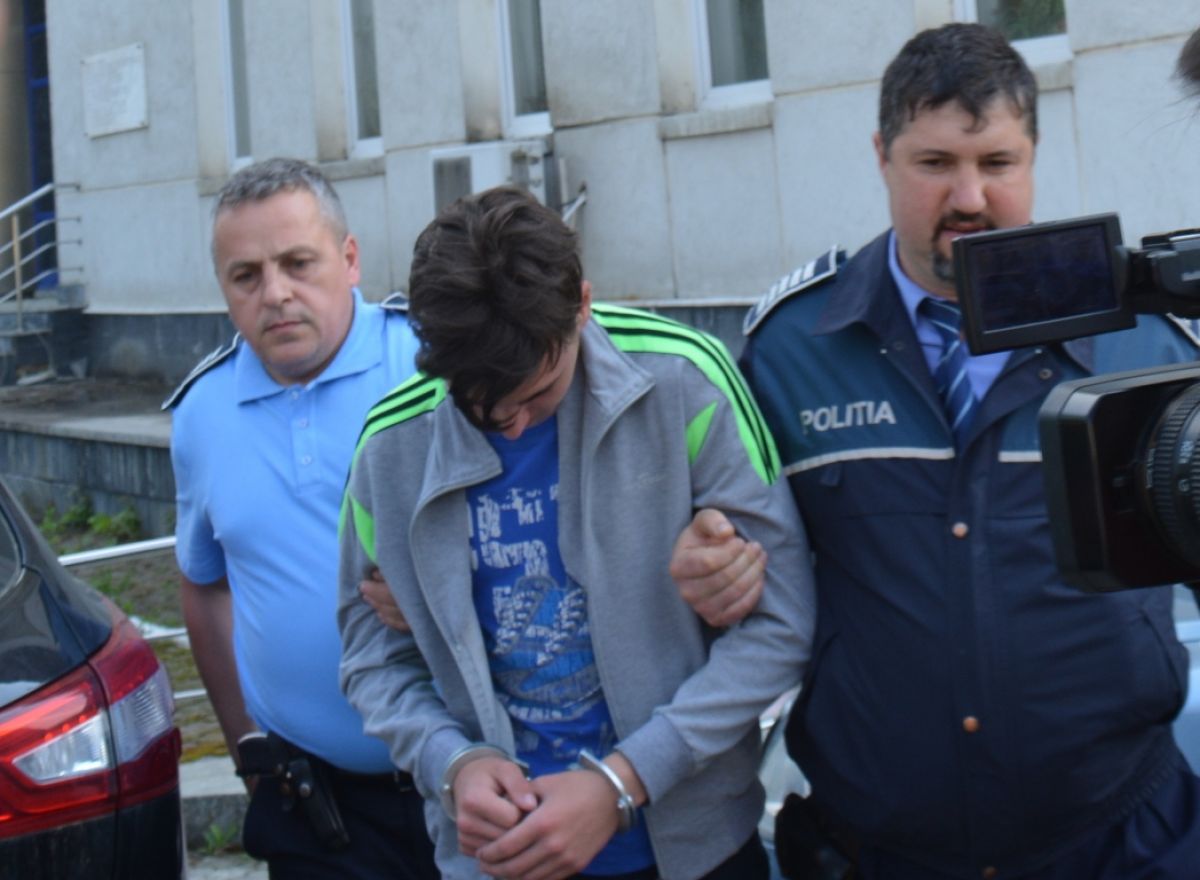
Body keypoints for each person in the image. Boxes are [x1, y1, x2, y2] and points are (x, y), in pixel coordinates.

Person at [672, 23, 1200, 880]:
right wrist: (709, 570)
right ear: (881, 156)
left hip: (1118, 841)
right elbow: (736, 557)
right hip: (877, 848)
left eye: (997, 162)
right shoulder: (788, 349)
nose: (969, 197)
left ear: (1034, 157)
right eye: (934, 163)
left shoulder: (1150, 344)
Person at [336, 185, 817, 880]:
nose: (512, 426)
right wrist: (453, 762)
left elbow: (785, 620)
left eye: (538, 393)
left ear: (583, 306)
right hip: (495, 862)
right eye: (479, 405)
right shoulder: (389, 448)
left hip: (696, 851)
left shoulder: (686, 378)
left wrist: (625, 780)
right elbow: (370, 659)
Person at [167, 157, 438, 879]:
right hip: (317, 814)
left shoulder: (433, 366)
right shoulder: (202, 414)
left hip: (471, 784)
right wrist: (247, 750)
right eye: (246, 276)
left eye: (297, 263)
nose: (276, 294)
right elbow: (204, 584)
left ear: (349, 260)